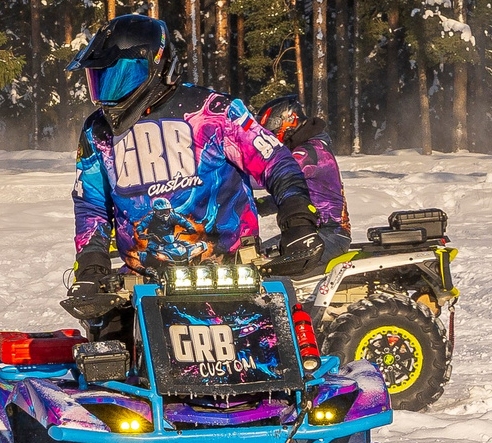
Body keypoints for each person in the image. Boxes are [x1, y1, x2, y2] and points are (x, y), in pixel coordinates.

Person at [62, 16, 331, 322]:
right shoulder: (97, 131)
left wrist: (298, 221)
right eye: (102, 79)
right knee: (109, 361)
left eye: (122, 75)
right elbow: (92, 204)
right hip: (142, 290)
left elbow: (275, 162)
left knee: (271, 363)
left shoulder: (214, 112)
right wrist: (91, 267)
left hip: (232, 279)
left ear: (158, 67)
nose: (111, 91)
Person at [256, 94, 349, 236]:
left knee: (266, 258)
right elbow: (295, 195)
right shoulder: (306, 147)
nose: (271, 137)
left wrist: (237, 176)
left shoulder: (309, 152)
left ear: (289, 121)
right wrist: (258, 205)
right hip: (315, 232)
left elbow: (276, 174)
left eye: (272, 130)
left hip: (328, 233)